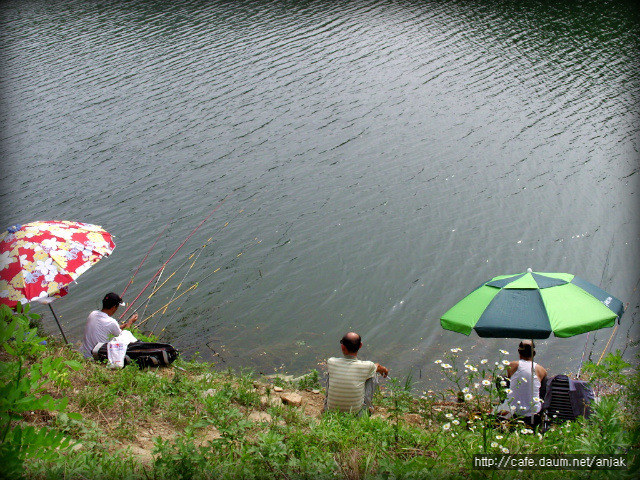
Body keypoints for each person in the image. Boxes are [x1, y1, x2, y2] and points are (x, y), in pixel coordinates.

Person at [324, 332, 389, 415]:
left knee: (331, 373)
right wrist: (384, 370)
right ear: (360, 345)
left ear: (342, 346)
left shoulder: (331, 362)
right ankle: (368, 407)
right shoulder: (367, 366)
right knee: (373, 374)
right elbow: (378, 367)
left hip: (330, 411)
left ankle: (328, 403)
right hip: (356, 414)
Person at [80, 292, 138, 359]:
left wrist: (120, 327)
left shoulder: (92, 314)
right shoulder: (112, 322)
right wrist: (130, 323)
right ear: (114, 307)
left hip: (84, 354)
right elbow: (123, 338)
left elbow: (103, 327)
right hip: (95, 358)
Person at [504, 340, 547, 425]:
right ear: (534, 354)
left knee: (502, 379)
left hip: (513, 409)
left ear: (519, 352)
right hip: (533, 412)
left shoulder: (511, 365)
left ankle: (504, 403)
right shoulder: (541, 370)